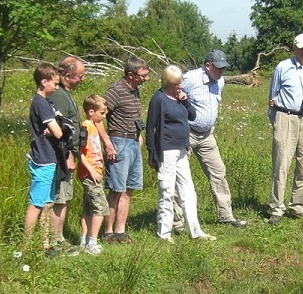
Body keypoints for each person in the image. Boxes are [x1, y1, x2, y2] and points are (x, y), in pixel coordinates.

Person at [173, 49, 247, 230]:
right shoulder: (189, 79)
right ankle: (177, 221)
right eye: (219, 68)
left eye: (224, 68)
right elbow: (172, 98)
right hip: (187, 133)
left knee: (218, 172)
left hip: (207, 135)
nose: (222, 72)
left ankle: (225, 215)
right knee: (180, 176)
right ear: (208, 66)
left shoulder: (219, 82)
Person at [146, 65, 215, 243]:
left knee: (188, 191)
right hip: (166, 150)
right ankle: (164, 233)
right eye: (177, 84)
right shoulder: (158, 99)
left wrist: (185, 101)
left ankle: (196, 231)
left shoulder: (180, 97)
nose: (180, 86)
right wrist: (152, 153)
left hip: (182, 149)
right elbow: (151, 127)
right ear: (168, 83)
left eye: (181, 83)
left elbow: (192, 116)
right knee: (167, 190)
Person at [267, 32, 303, 224]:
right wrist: (276, 121)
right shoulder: (283, 67)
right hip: (285, 116)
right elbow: (272, 95)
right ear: (294, 48)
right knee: (281, 164)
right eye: (301, 48)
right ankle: (276, 208)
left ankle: (298, 206)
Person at [101, 56, 150, 243]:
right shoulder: (116, 90)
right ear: (131, 74)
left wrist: (138, 135)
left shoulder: (134, 89)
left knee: (129, 189)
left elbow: (133, 116)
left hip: (133, 142)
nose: (146, 79)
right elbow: (98, 117)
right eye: (143, 75)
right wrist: (108, 143)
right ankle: (107, 232)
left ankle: (120, 231)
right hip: (118, 142)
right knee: (116, 189)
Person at [48, 54, 86, 254]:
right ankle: (54, 241)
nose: (83, 79)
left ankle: (60, 238)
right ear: (68, 75)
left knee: (65, 197)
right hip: (61, 157)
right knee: (59, 198)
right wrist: (68, 155)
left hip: (67, 155)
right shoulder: (58, 96)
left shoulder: (65, 93)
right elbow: (60, 129)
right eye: (80, 75)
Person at [25, 63, 65, 246]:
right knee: (37, 204)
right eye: (55, 84)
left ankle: (44, 243)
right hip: (43, 158)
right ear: (43, 82)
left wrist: (55, 126)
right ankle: (26, 244)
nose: (57, 87)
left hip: (50, 157)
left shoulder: (46, 102)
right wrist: (56, 127)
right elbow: (58, 132)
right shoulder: (41, 103)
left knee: (48, 203)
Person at [76, 94, 110, 255]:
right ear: (91, 112)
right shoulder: (85, 128)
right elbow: (80, 153)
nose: (104, 116)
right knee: (101, 207)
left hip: (97, 172)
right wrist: (91, 171)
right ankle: (92, 242)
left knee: (89, 208)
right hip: (90, 174)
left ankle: (83, 240)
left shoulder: (94, 127)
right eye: (102, 113)